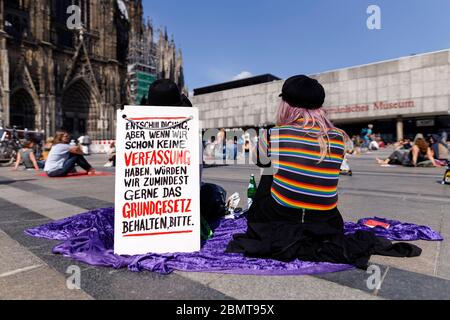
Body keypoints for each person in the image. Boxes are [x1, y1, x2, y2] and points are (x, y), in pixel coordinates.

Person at [226, 75, 421, 269]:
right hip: (325, 220)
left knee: (268, 171)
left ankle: (282, 227)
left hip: (281, 217)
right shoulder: (338, 137)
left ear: (286, 104)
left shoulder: (273, 134)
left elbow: (258, 160)